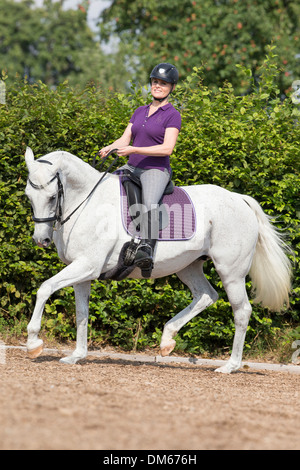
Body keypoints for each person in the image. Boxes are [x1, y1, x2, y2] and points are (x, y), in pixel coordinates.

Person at [99, 63, 181, 276]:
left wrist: (134, 148)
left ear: (171, 87)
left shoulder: (172, 115)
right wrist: (110, 147)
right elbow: (125, 139)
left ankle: (146, 249)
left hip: (155, 170)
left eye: (163, 83)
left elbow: (167, 148)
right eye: (155, 82)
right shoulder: (139, 111)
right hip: (132, 167)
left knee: (150, 202)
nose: (157, 86)